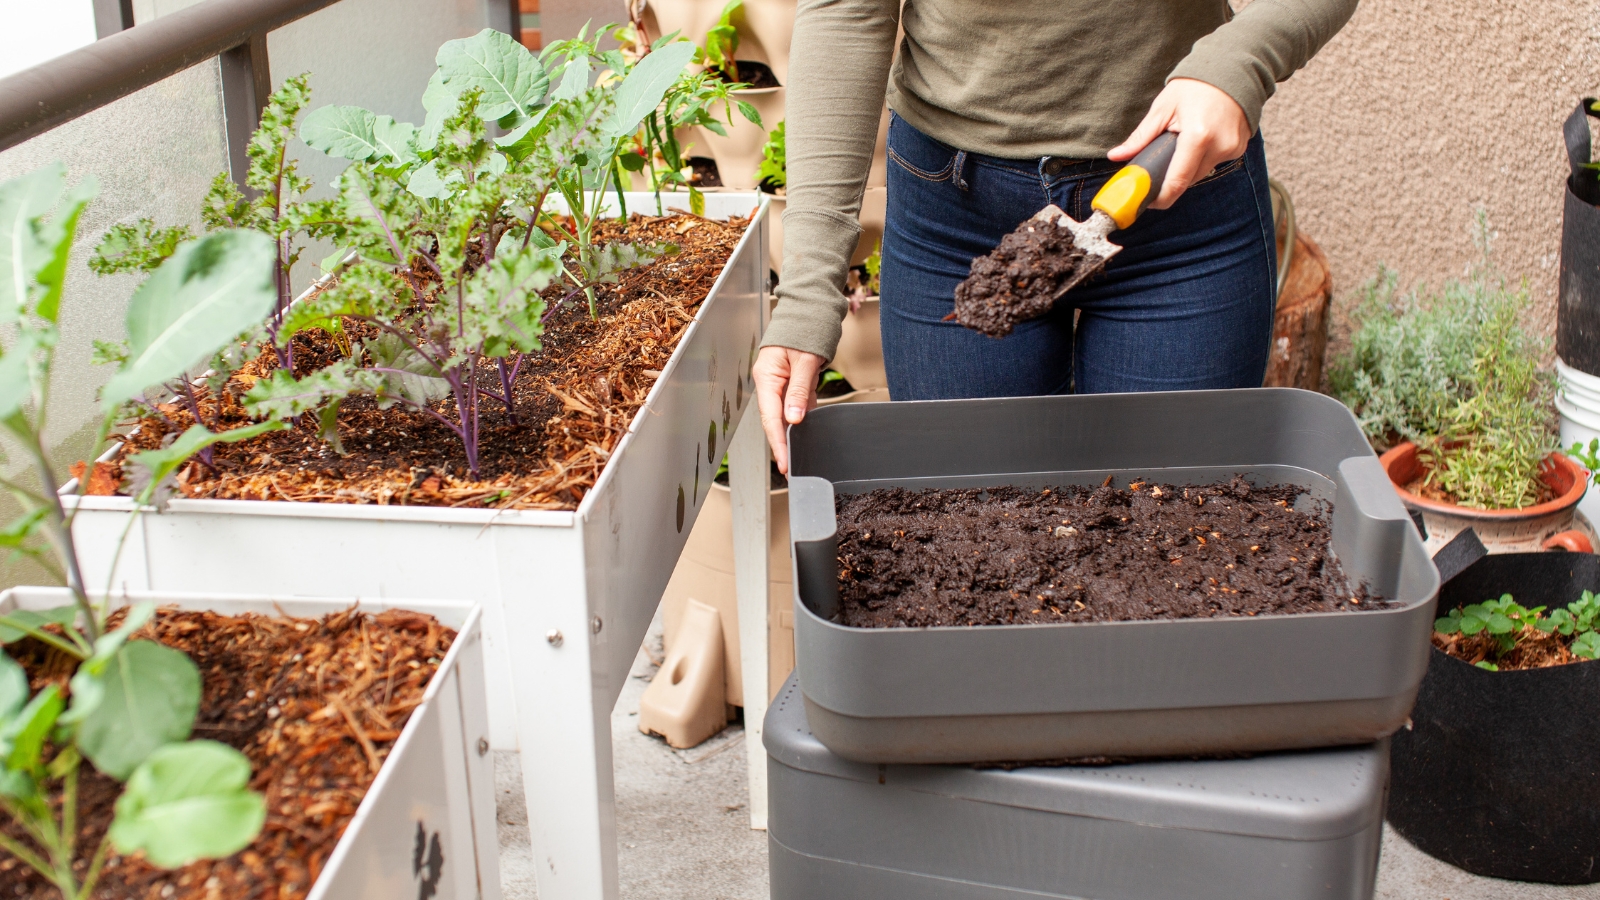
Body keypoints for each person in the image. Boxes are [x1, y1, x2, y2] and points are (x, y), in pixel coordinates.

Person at [753, 0, 1359, 472]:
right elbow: (846, 13)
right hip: (955, 219)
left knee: (1169, 554)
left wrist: (1240, 61)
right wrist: (809, 289)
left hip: (1179, 209)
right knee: (976, 546)